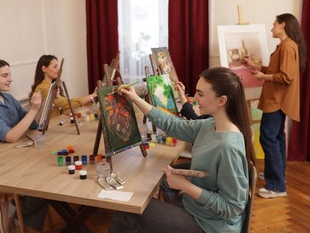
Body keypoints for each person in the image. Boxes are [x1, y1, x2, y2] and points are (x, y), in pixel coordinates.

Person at [109, 67, 256, 233]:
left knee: (129, 209)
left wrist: (186, 186)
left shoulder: (228, 147)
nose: (195, 98)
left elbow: (232, 207)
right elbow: (173, 125)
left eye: (200, 94)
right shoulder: (210, 125)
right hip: (197, 210)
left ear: (222, 101)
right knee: (143, 202)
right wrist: (135, 99)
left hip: (209, 226)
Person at [0, 59, 48, 233]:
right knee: (43, 183)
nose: (10, 79)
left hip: (12, 157)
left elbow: (32, 124)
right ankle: (16, 213)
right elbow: (11, 136)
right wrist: (33, 110)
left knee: (46, 179)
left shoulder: (8, 99)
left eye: (10, 75)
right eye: (5, 75)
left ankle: (13, 210)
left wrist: (40, 106)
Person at [243, 13, 307, 199]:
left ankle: (277, 186)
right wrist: (256, 66)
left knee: (269, 139)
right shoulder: (286, 46)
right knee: (276, 139)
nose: (271, 28)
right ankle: (276, 176)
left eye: (274, 24)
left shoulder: (287, 47)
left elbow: (286, 77)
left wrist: (264, 77)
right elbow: (276, 71)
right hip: (278, 100)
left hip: (277, 101)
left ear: (283, 25)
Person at [30, 55, 97, 119]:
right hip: (49, 127)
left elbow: (61, 106)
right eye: (55, 67)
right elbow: (67, 104)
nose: (58, 70)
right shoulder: (43, 88)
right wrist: (93, 95)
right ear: (44, 69)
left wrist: (66, 112)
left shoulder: (52, 86)